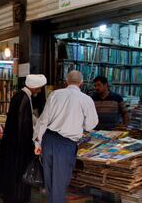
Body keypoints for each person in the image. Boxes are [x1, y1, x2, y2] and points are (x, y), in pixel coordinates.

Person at [33, 70, 98, 203]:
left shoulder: (55, 94)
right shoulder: (86, 100)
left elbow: (43, 120)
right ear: (81, 83)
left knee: (50, 183)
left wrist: (37, 142)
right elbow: (91, 125)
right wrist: (80, 125)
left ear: (66, 81)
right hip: (65, 144)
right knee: (59, 184)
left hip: (49, 140)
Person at [0, 74, 47, 203]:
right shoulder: (24, 99)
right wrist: (30, 143)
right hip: (19, 145)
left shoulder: (20, 96)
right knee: (18, 175)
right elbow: (23, 125)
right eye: (39, 88)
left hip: (14, 144)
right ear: (35, 87)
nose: (40, 91)